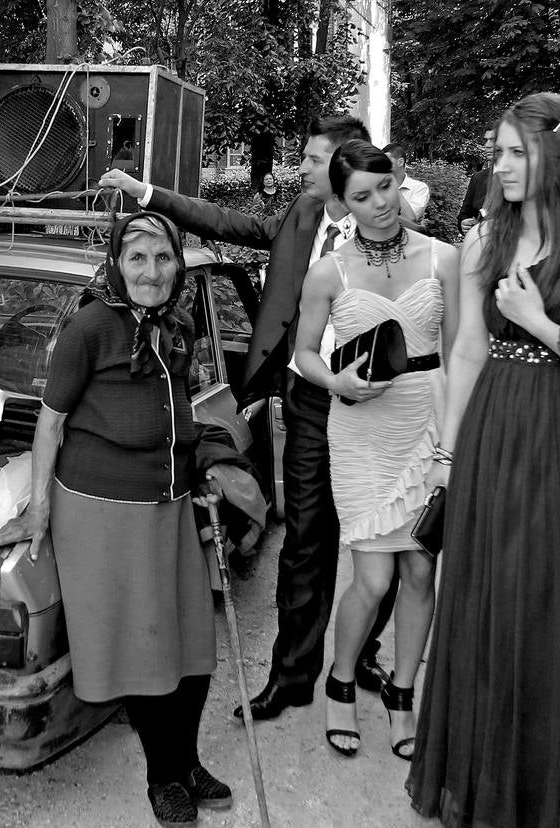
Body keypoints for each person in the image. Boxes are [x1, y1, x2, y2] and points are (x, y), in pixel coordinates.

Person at [101, 115, 400, 723]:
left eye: (314, 160)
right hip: (310, 402)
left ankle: (363, 649)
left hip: (377, 411)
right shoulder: (301, 214)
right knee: (306, 545)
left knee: (379, 538)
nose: (303, 169)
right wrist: (147, 195)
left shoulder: (391, 232)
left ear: (346, 168)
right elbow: (229, 223)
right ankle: (291, 678)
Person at [406, 93, 560, 828]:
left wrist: (542, 323)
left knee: (552, 607)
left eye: (513, 153)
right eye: (496, 153)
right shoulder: (485, 237)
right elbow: (465, 354)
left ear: (559, 156)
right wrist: (448, 462)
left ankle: (549, 791)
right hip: (493, 436)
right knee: (490, 598)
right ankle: (491, 785)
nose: (499, 167)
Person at [0, 212, 231, 828]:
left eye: (162, 258)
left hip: (171, 505)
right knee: (146, 649)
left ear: (178, 265)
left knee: (193, 645)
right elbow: (50, 423)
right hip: (103, 515)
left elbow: (180, 415)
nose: (151, 271)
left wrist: (203, 472)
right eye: (137, 258)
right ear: (116, 265)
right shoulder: (91, 327)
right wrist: (39, 509)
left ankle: (188, 759)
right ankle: (164, 777)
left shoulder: (175, 329)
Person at [294, 141, 458, 760]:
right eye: (361, 197)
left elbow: (463, 353)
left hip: (429, 425)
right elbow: (306, 352)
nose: (379, 205)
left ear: (400, 181)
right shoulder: (328, 272)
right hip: (361, 431)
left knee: (420, 568)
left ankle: (402, 693)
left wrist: (455, 441)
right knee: (373, 574)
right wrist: (334, 381)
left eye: (385, 188)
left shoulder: (446, 259)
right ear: (343, 203)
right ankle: (340, 682)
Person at [456, 130, 495, 235]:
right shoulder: (478, 178)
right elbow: (464, 213)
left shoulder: (521, 178)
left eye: (493, 140)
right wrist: (464, 223)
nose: (487, 145)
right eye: (486, 140)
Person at [383, 143, 430, 221]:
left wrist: (392, 185)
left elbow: (410, 218)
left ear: (400, 162)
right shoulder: (377, 187)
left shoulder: (419, 188)